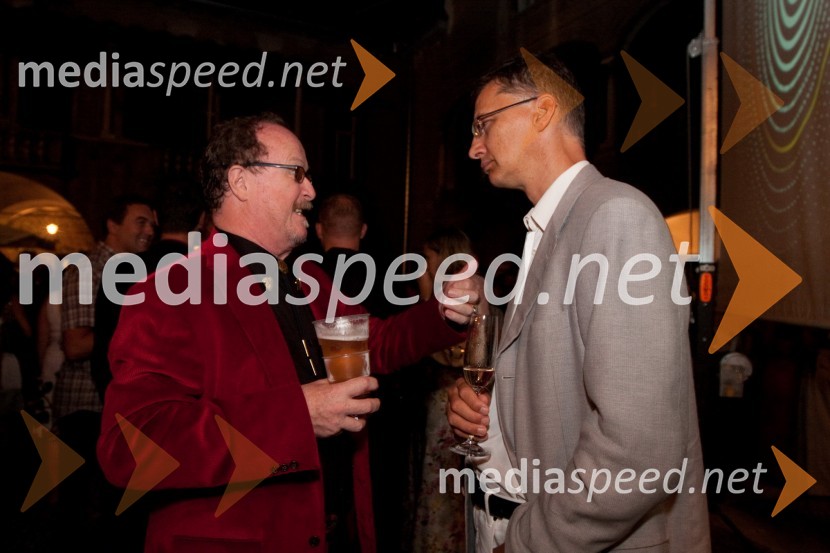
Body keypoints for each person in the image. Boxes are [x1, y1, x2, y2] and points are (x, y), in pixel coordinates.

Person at [96, 112, 483, 553]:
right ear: (240, 180)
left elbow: (375, 343)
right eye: (297, 173)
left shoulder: (309, 278)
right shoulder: (174, 288)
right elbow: (131, 447)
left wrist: (445, 313)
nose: (311, 191)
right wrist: (298, 415)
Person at [447, 53, 710, 552]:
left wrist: (526, 542)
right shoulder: (547, 228)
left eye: (483, 124)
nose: (472, 147)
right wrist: (487, 416)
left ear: (542, 112)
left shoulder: (615, 216)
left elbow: (637, 454)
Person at [52, 193, 155, 552]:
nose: (149, 230)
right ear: (112, 225)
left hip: (116, 408)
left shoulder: (141, 270)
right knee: (84, 513)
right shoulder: (88, 269)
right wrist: (132, 333)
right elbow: (76, 344)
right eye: (140, 221)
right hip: (86, 406)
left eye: (152, 223)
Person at [409, 228, 474, 553]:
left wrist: (425, 298)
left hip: (451, 406)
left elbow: (454, 354)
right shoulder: (440, 295)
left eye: (427, 258)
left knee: (443, 485)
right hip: (434, 404)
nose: (423, 265)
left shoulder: (461, 296)